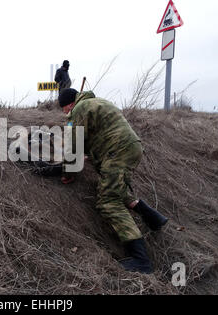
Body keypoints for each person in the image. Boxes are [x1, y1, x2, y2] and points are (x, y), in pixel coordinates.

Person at [58, 88, 169, 274]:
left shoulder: (79, 109)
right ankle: (154, 219)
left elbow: (73, 146)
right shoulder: (96, 102)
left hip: (117, 152)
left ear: (69, 104)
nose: (65, 113)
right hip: (128, 148)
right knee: (117, 190)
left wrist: (68, 172)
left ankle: (141, 261)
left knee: (108, 201)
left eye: (64, 110)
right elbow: (97, 136)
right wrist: (89, 155)